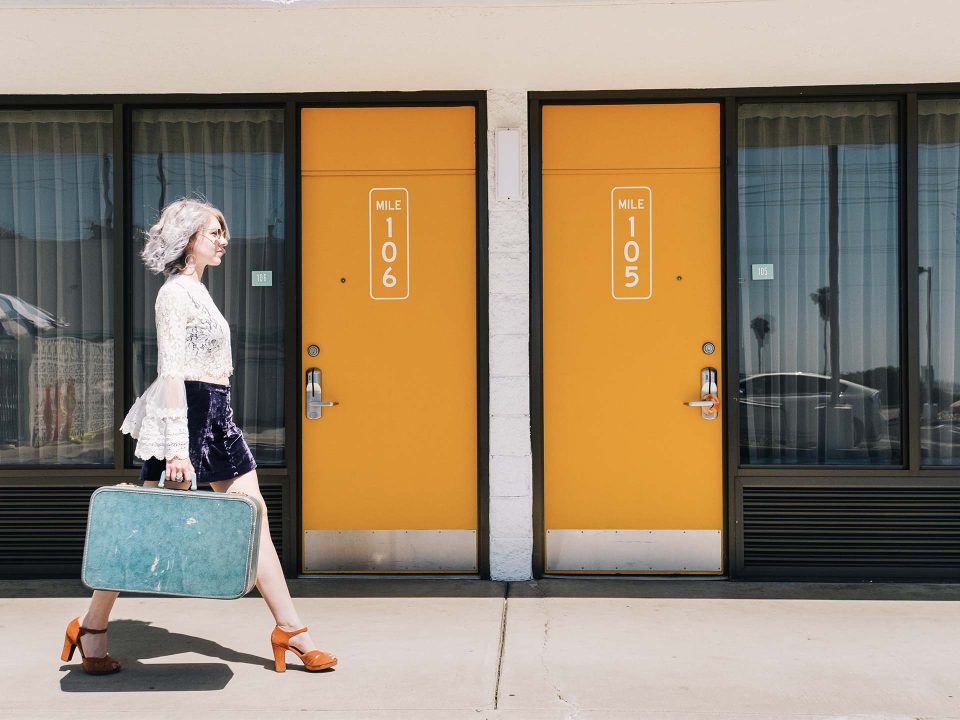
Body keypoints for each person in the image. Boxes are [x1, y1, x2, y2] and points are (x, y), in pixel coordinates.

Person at [61, 198, 337, 675]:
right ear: (189, 238)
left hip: (215, 413)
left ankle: (291, 630)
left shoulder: (200, 291)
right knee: (141, 528)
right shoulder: (173, 294)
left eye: (223, 231)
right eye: (215, 232)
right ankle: (91, 627)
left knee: (255, 518)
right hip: (185, 417)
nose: (224, 240)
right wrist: (178, 451)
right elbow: (171, 371)